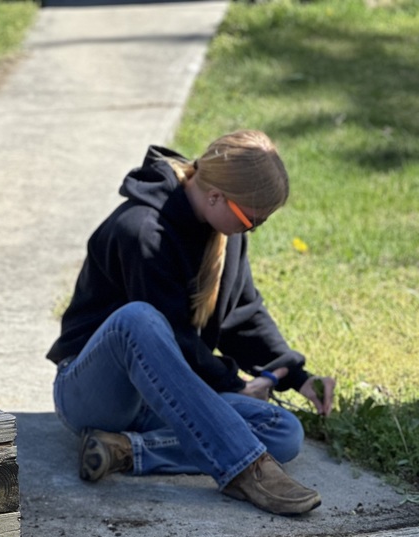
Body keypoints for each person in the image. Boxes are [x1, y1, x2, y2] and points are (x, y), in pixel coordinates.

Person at [47, 129, 335, 517]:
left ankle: (123, 450)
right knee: (139, 320)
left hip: (161, 396)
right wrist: (235, 384)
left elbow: (241, 314)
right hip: (95, 393)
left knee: (282, 433)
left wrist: (294, 373)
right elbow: (176, 340)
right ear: (216, 196)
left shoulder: (223, 228)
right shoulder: (142, 230)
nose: (252, 229)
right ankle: (247, 470)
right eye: (252, 221)